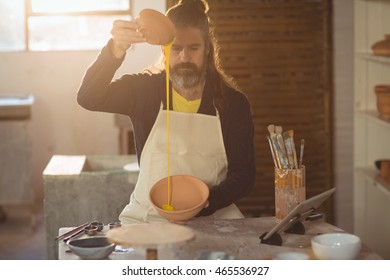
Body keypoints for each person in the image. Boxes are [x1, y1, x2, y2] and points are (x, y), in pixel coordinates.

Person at [77, 0, 256, 224]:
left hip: (212, 217)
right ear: (164, 49)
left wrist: (209, 201)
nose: (184, 58)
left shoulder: (232, 103)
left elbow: (244, 173)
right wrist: (115, 49)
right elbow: (89, 97)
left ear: (207, 48)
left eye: (193, 48)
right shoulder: (145, 91)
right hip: (148, 218)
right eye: (177, 49)